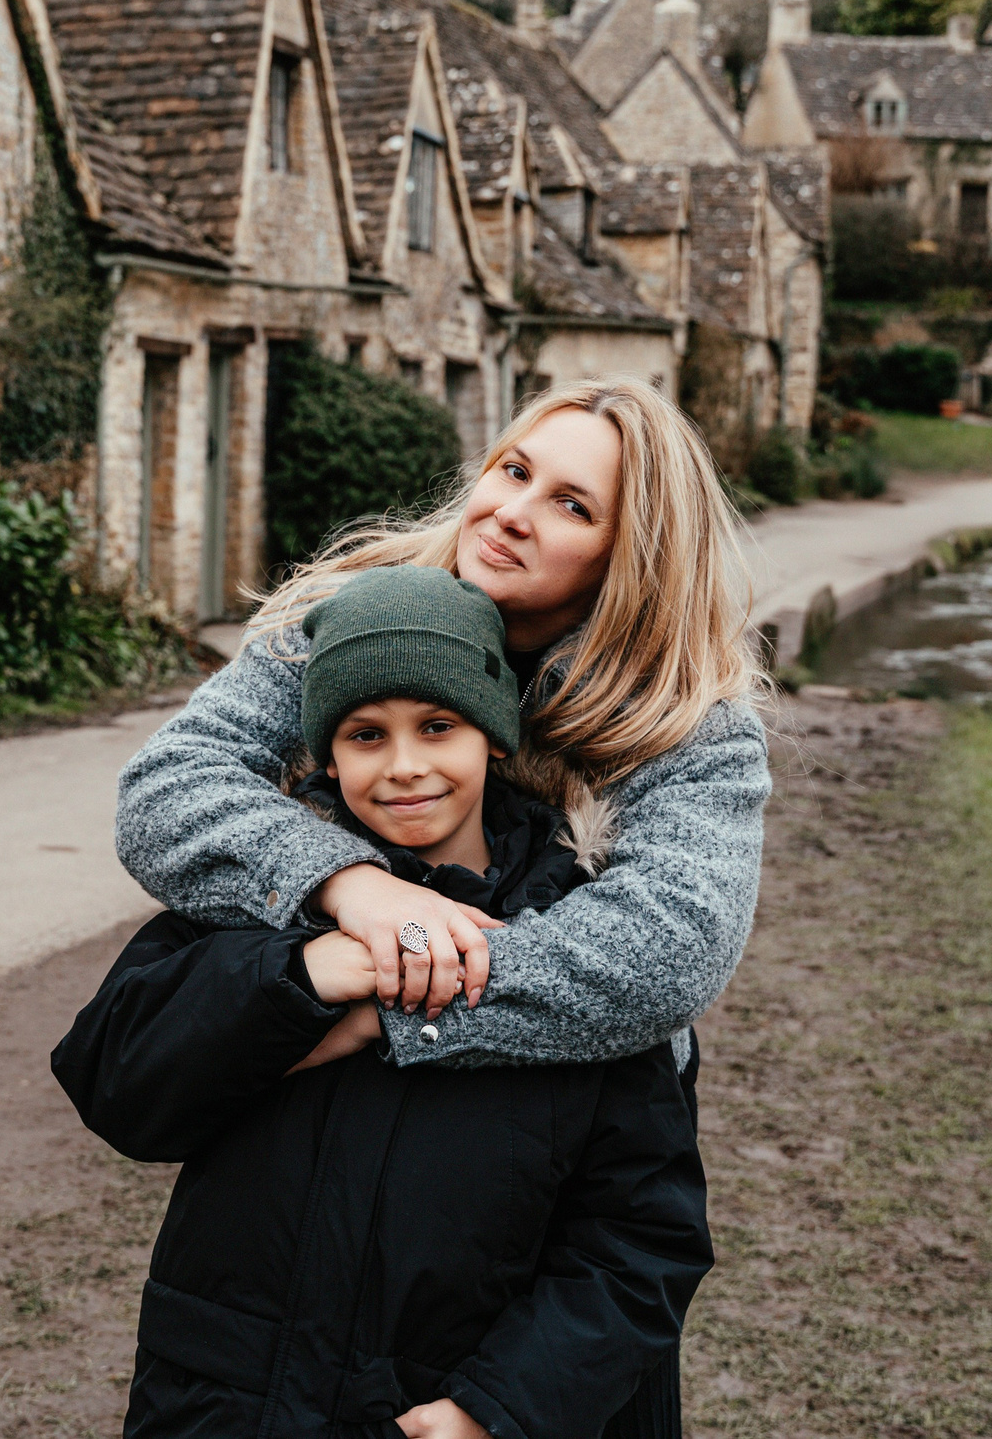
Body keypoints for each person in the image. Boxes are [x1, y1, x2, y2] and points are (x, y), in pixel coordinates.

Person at [114, 377, 771, 1429]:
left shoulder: (685, 718)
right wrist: (349, 885)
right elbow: (167, 790)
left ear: (629, 554)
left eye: (570, 503)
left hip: (544, 1139)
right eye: (512, 469)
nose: (511, 508)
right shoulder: (357, 615)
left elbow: (667, 950)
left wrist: (383, 995)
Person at [56, 566, 713, 1439]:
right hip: (230, 1403)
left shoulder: (582, 943)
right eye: (366, 735)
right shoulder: (257, 900)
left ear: (495, 737)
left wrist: (499, 1408)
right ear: (327, 754)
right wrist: (308, 977)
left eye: (438, 727)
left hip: (443, 1412)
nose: (405, 767)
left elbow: (640, 1242)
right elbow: (118, 1086)